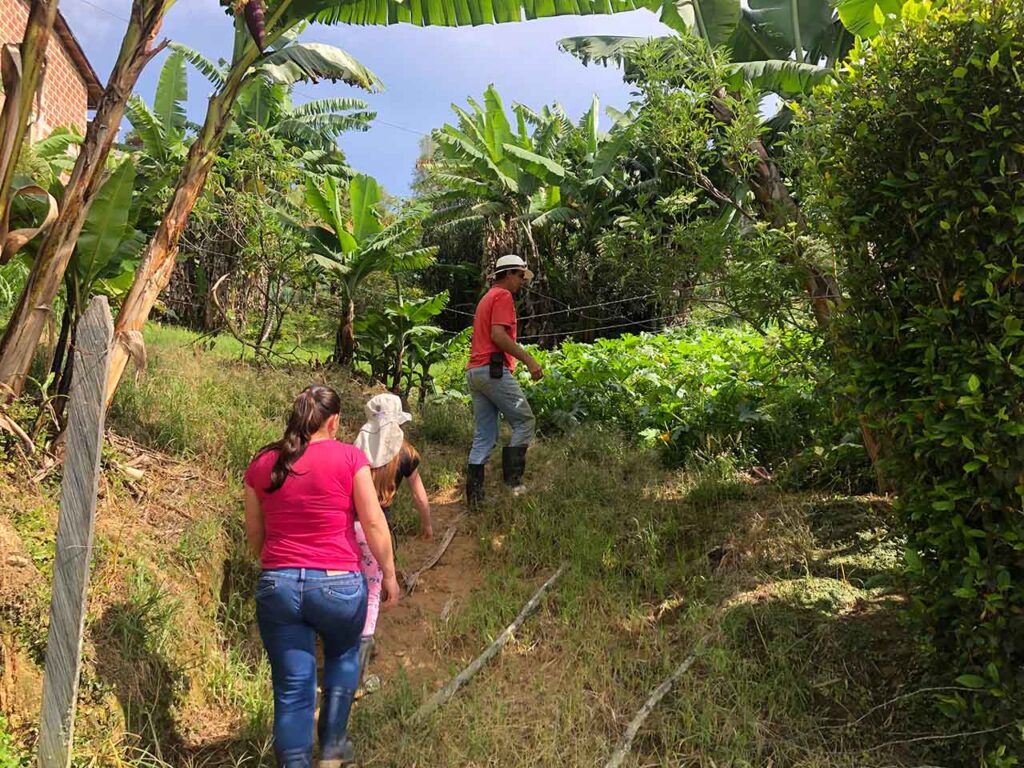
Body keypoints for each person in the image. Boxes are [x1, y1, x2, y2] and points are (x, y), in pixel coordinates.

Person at [243, 385, 399, 768]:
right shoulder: (350, 457)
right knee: (343, 657)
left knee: (293, 688)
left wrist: (280, 569)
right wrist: (390, 576)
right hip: (338, 584)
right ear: (333, 421)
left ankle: (295, 762)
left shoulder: (263, 463)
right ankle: (332, 748)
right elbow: (374, 523)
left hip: (278, 585)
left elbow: (254, 537)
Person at [351, 393, 434, 689]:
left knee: (352, 584)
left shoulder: (354, 452)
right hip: (377, 527)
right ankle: (359, 667)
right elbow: (420, 497)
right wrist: (427, 525)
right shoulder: (406, 454)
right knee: (375, 590)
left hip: (347, 526)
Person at [465, 254, 544, 508]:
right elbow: (498, 336)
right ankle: (514, 484)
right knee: (525, 421)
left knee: (485, 435)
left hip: (475, 372)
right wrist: (529, 360)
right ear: (509, 274)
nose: (522, 281)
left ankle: (474, 498)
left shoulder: (486, 298)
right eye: (521, 276)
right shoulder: (502, 296)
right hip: (493, 370)